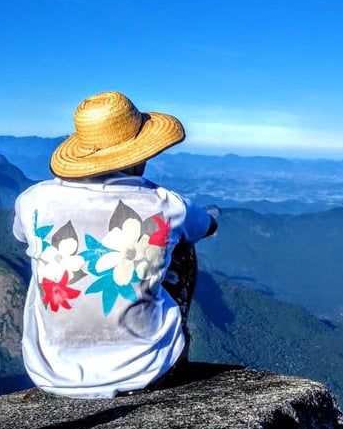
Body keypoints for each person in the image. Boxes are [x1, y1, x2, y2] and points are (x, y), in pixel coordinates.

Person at [12, 90, 217, 397]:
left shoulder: (32, 201)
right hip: (149, 370)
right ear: (141, 150)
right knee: (182, 245)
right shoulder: (166, 204)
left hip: (51, 374)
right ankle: (152, 336)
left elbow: (20, 235)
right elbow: (207, 226)